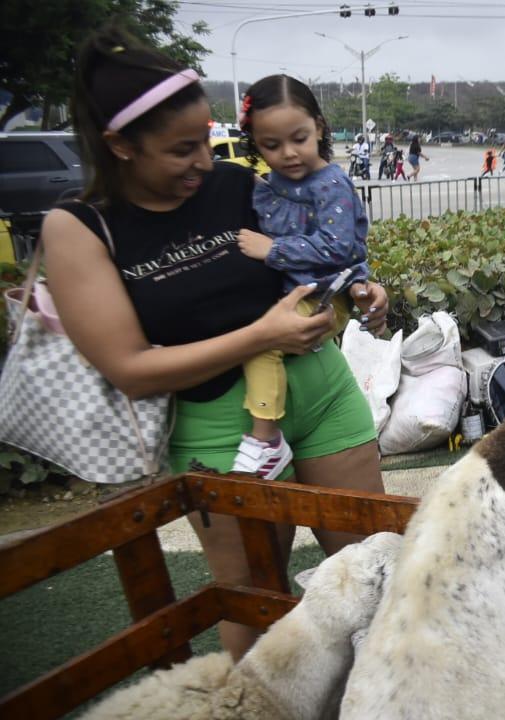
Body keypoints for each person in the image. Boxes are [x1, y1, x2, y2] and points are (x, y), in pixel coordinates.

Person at [45, 28, 390, 660]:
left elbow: (317, 255)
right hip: (220, 429)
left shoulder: (236, 186)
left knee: (372, 576)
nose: (205, 162)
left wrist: (362, 286)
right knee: (255, 603)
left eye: (206, 139)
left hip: (323, 391)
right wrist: (261, 335)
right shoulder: (80, 229)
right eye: (181, 150)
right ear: (120, 145)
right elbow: (132, 370)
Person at [230, 74, 373, 478]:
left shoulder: (331, 184)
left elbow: (338, 247)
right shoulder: (273, 184)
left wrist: (271, 249)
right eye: (271, 145)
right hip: (301, 289)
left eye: (300, 138)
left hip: (328, 294)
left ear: (319, 128)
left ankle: (265, 439)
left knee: (264, 343)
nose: (289, 154)